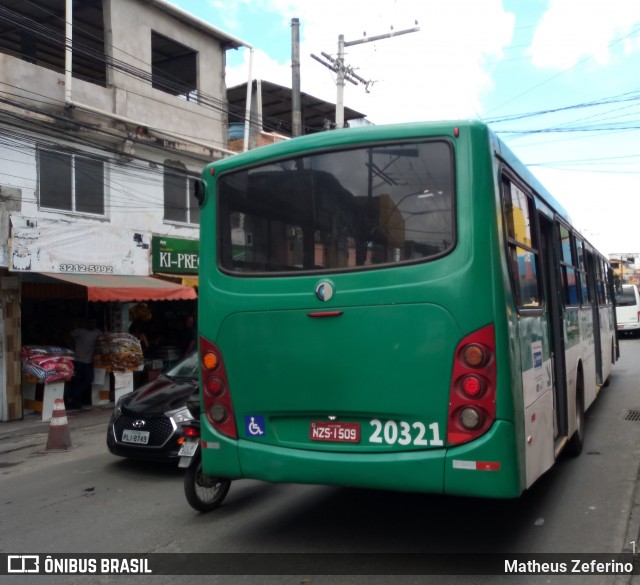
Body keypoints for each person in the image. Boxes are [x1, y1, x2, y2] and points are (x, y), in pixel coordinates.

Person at [67, 317, 102, 410]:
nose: (92, 324)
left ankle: (73, 395)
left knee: (88, 379)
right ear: (87, 323)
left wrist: (98, 351)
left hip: (89, 360)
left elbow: (101, 341)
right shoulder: (79, 331)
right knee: (76, 380)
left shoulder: (97, 332)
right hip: (78, 359)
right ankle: (74, 400)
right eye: (90, 322)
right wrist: (72, 348)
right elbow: (67, 337)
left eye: (94, 322)